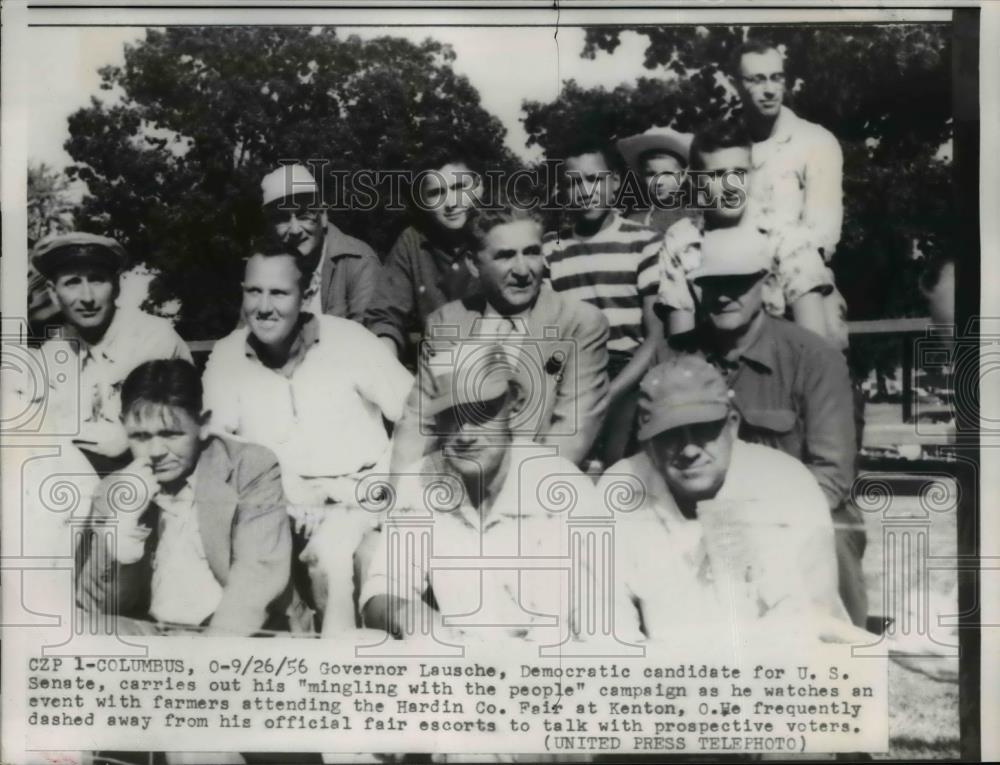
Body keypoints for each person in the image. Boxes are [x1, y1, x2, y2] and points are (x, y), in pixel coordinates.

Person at [656, 227, 867, 626]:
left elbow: (832, 476)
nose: (723, 295)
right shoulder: (675, 356)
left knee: (836, 536)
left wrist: (749, 526)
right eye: (711, 284)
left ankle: (840, 650)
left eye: (738, 283)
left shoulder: (813, 358)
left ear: (767, 284)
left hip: (792, 515)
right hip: (697, 513)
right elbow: (650, 456)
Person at [202, 238, 413, 631]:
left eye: (279, 293)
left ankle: (340, 667)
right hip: (277, 504)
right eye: (254, 292)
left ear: (307, 293)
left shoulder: (348, 339)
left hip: (361, 493)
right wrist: (287, 487)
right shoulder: (228, 354)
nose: (264, 307)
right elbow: (219, 442)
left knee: (331, 558)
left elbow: (413, 413)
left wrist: (384, 491)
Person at [600, 355, 852, 640]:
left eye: (702, 429)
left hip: (773, 664)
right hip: (661, 669)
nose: (689, 450)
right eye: (669, 434)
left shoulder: (784, 484)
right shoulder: (621, 489)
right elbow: (605, 613)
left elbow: (807, 616)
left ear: (732, 425)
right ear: (647, 443)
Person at [362, 348, 594, 645]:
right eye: (452, 416)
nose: (466, 434)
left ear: (514, 403)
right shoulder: (419, 483)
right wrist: (408, 614)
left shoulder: (562, 486)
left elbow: (597, 610)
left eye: (482, 411)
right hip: (461, 669)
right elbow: (383, 588)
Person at [75, 359, 294, 636]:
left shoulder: (249, 467)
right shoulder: (114, 490)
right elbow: (96, 606)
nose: (155, 451)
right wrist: (123, 526)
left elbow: (257, 579)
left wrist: (202, 659)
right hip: (152, 636)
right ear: (123, 427)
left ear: (203, 424)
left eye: (170, 434)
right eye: (140, 436)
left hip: (232, 633)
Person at [389, 202, 610, 471]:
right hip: (461, 481)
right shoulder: (447, 324)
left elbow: (572, 432)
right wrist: (401, 497)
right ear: (473, 263)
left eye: (531, 253)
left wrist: (513, 497)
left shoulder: (580, 323)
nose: (522, 270)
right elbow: (419, 423)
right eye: (505, 256)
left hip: (543, 484)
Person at [656, 119, 845, 347]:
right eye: (717, 175)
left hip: (783, 361)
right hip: (711, 367)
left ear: (753, 175)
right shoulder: (681, 239)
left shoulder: (786, 234)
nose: (731, 185)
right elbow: (681, 340)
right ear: (696, 182)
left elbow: (814, 342)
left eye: (739, 172)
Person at [543, 136, 663, 467]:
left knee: (621, 462)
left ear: (614, 183)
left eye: (595, 179)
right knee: (559, 461)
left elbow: (655, 336)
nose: (585, 191)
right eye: (573, 182)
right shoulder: (550, 251)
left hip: (630, 370)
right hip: (573, 371)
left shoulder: (645, 243)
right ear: (562, 191)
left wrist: (609, 394)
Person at [29, 232, 192, 472]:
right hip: (80, 477)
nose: (87, 297)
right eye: (72, 282)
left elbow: (122, 441)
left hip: (156, 474)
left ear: (116, 286)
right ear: (54, 293)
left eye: (97, 280)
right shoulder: (54, 350)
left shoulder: (152, 338)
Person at [364, 153, 481, 367]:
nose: (451, 203)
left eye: (459, 187)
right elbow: (385, 314)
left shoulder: (498, 232)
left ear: (478, 186)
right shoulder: (412, 241)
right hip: (436, 372)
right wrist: (385, 361)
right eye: (436, 193)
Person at [260, 163, 380, 322]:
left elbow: (366, 339)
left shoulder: (358, 262)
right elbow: (245, 334)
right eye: (282, 219)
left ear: (323, 215)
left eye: (304, 216)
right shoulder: (265, 268)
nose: (295, 230)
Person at [616, 126, 695, 234]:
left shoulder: (697, 218)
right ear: (642, 177)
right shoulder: (635, 221)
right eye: (651, 174)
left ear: (682, 176)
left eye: (667, 174)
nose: (658, 182)